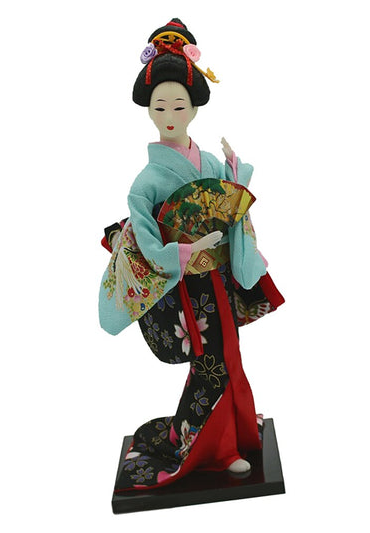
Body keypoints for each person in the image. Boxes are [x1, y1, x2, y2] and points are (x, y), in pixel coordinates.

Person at [99, 19, 284, 491]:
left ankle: (234, 434)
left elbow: (232, 202)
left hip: (217, 277)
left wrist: (235, 172)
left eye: (178, 105)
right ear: (148, 111)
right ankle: (215, 451)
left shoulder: (210, 163)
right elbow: (146, 243)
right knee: (211, 362)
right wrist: (185, 250)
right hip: (185, 286)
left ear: (194, 108)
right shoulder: (146, 183)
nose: (169, 115)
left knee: (227, 355)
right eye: (159, 106)